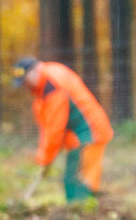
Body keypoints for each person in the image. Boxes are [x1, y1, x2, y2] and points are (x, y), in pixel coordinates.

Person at [17, 56, 113, 201]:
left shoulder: (52, 85)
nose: (25, 85)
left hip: (88, 134)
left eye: (25, 80)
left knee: (76, 181)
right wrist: (46, 156)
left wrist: (45, 159)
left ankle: (83, 216)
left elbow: (54, 128)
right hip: (82, 136)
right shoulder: (46, 82)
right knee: (76, 180)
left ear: (34, 71)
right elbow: (47, 123)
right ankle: (85, 212)